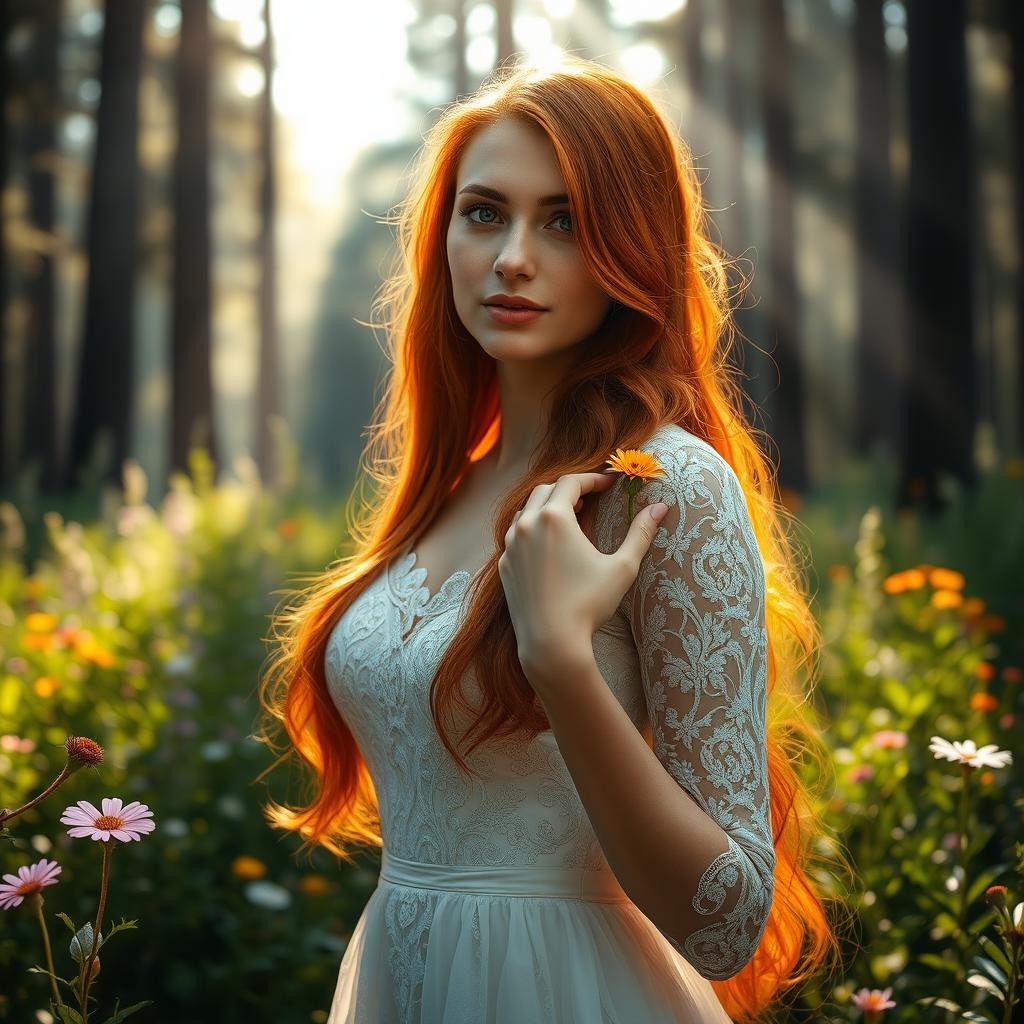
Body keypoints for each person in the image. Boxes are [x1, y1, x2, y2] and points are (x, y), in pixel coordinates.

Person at [256, 55, 845, 1023]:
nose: (512, 256)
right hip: (405, 981)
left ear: (634, 247)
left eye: (563, 220)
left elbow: (727, 922)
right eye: (484, 212)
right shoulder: (448, 484)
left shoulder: (662, 488)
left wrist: (560, 660)